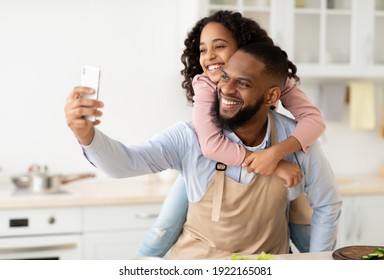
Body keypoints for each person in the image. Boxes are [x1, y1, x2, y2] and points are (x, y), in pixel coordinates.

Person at [65, 42, 342, 259]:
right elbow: (125, 164)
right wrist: (86, 134)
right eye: (225, 77)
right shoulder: (190, 137)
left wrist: (317, 265)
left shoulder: (293, 140)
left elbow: (327, 205)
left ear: (271, 96)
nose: (226, 89)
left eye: (243, 83)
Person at [135, 11, 325, 257]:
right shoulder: (205, 83)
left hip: (261, 161)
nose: (209, 56)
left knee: (298, 221)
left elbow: (314, 121)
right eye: (203, 50)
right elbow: (211, 145)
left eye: (220, 46)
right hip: (208, 165)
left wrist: (277, 152)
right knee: (164, 228)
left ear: (243, 50)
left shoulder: (274, 81)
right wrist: (275, 165)